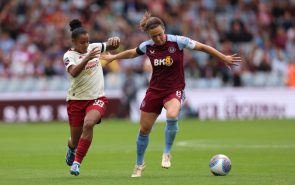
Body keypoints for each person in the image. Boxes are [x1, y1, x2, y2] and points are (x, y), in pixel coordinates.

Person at [100, 11, 241, 178]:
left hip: (174, 89)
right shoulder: (148, 46)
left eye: (160, 35)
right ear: (149, 36)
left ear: (164, 29)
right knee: (144, 129)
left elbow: (202, 47)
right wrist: (113, 57)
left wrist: (222, 57)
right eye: (154, 37)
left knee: (172, 114)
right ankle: (139, 164)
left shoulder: (178, 41)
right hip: (154, 91)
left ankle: (166, 153)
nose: (158, 39)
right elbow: (132, 53)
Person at [63, 19, 120, 176]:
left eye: (87, 42)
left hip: (97, 98)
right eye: (82, 43)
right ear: (74, 42)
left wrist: (115, 41)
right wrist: (87, 58)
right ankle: (71, 149)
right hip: (76, 101)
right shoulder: (69, 55)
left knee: (89, 124)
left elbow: (112, 46)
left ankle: (77, 163)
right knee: (74, 140)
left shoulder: (94, 47)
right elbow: (73, 72)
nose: (86, 45)